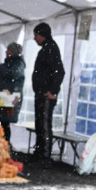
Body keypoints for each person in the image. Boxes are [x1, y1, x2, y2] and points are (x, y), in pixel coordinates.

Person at [31, 22, 64, 161]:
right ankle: (40, 152)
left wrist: (53, 91)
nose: (34, 38)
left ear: (42, 35)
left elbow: (59, 71)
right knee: (39, 123)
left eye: (36, 35)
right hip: (41, 92)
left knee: (44, 124)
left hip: (46, 94)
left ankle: (45, 155)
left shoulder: (51, 48)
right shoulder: (47, 48)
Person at [0, 42, 26, 142]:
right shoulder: (8, 64)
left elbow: (11, 74)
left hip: (10, 99)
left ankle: (5, 143)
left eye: (8, 50)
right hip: (2, 97)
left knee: (5, 123)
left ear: (11, 52)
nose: (6, 52)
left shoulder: (18, 64)